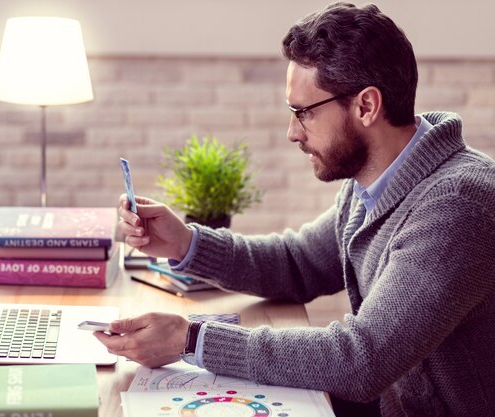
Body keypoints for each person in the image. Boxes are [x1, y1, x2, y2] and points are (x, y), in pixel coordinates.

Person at [94, 3, 495, 417]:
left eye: (304, 112)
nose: (292, 132)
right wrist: (186, 243)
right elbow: (298, 262)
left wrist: (192, 340)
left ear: (366, 106)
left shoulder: (457, 206)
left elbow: (361, 359)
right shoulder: (377, 181)